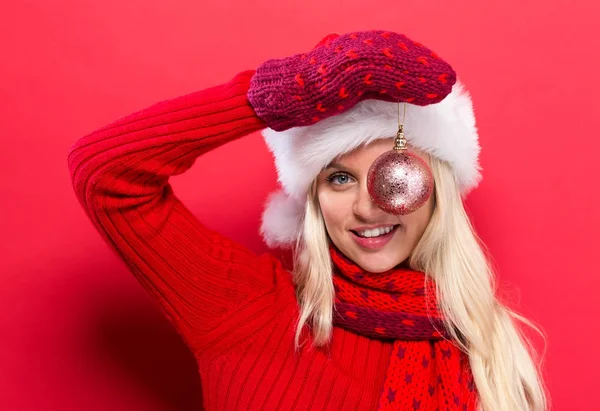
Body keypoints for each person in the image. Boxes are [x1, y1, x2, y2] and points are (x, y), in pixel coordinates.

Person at [67, 30, 548, 410]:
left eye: (393, 175)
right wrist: (284, 92)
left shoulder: (488, 352)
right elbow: (104, 174)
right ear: (313, 197)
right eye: (339, 179)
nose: (366, 207)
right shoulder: (246, 310)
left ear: (436, 190)